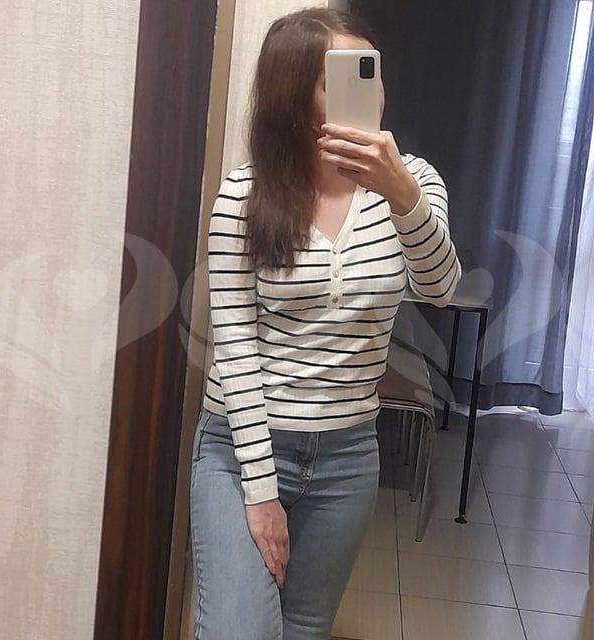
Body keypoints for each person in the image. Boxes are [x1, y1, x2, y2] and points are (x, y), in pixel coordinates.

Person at [189, 7, 461, 640]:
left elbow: (440, 289)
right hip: (241, 447)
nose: (369, 89)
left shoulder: (416, 182)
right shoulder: (244, 196)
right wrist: (261, 491)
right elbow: (234, 349)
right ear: (293, 93)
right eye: (340, 75)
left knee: (305, 628)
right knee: (238, 630)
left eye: (371, 70)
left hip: (347, 455)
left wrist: (401, 194)